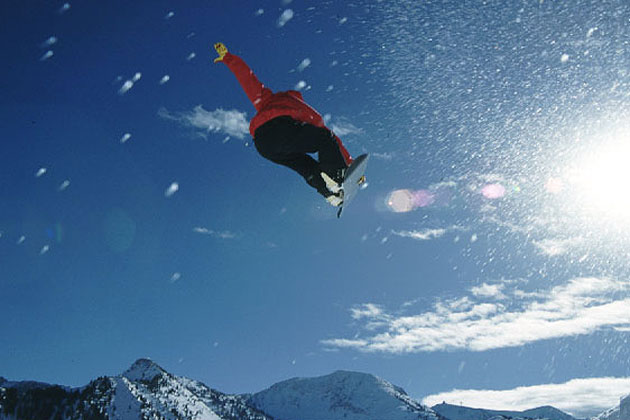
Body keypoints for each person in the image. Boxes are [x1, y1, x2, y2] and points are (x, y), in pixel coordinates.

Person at [213, 42, 353, 207]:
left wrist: (230, 59)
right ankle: (337, 177)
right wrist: (350, 165)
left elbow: (248, 80)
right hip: (280, 128)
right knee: (324, 138)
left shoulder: (267, 98)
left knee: (304, 164)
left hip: (263, 143)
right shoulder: (302, 108)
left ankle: (330, 194)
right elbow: (329, 136)